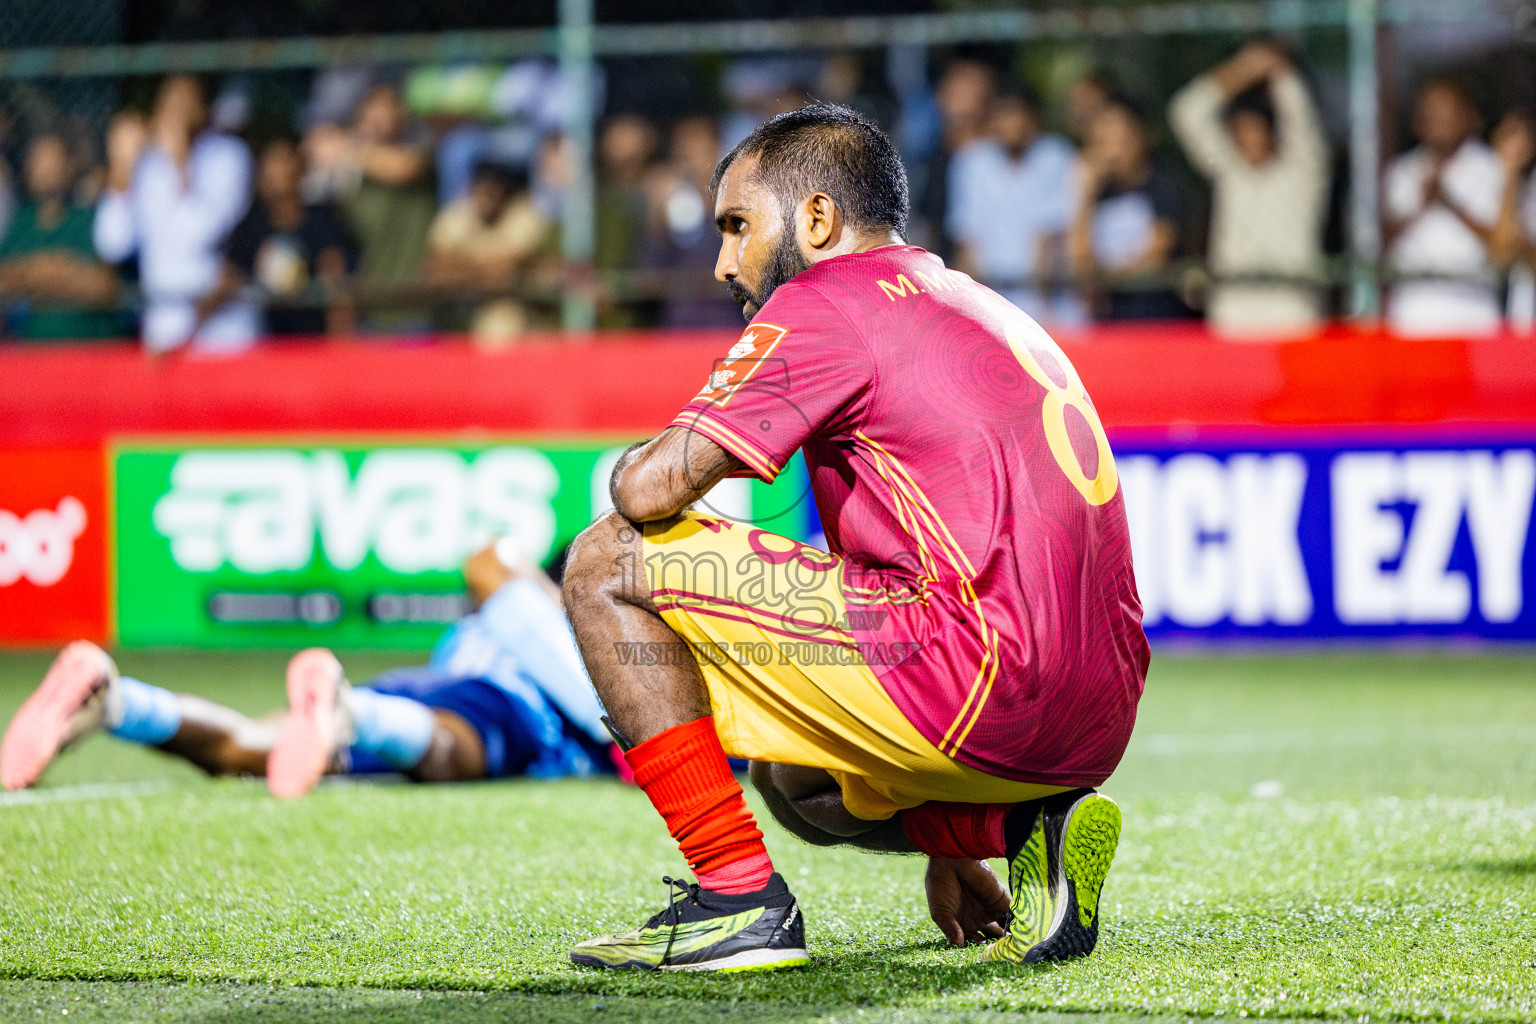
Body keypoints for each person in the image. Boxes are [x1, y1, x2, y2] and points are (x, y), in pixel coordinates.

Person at [560, 103, 1147, 972]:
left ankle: (737, 901)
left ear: (819, 219)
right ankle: (1023, 829)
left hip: (970, 677)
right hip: (1098, 715)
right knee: (795, 782)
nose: (723, 261)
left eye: (737, 226)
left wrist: (662, 439)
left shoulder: (825, 300)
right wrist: (955, 851)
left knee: (605, 558)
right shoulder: (973, 298)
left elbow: (650, 489)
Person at [0, 542, 614, 796]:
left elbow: (487, 559)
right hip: (503, 707)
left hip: (414, 689)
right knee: (449, 753)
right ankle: (346, 713)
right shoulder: (570, 629)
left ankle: (115, 701)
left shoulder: (500, 619)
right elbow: (490, 560)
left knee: (246, 749)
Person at [1169, 42, 1329, 337]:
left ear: (1272, 131)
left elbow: (1299, 119)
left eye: (1255, 130)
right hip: (1233, 315)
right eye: (1238, 132)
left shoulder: (1302, 171)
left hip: (1292, 315)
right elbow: (1186, 112)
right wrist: (1244, 68)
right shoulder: (1228, 171)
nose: (1247, 141)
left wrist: (1278, 72)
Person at [93, 75, 257, 353]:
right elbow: (112, 245)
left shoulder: (229, 155)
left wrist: (180, 162)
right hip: (162, 335)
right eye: (169, 103)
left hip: (223, 335)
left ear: (204, 108)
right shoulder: (146, 165)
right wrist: (122, 171)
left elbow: (201, 234)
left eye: (185, 102)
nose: (175, 112)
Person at [947, 86, 1081, 325]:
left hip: (1046, 296)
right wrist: (970, 305)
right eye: (1003, 114)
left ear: (1033, 117)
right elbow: (967, 238)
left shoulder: (1056, 156)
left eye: (1018, 114)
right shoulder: (970, 162)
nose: (1011, 123)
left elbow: (1051, 235)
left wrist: (1042, 306)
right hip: (989, 293)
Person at [1383, 79, 1503, 338]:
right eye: (1432, 112)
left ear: (1468, 116)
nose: (1439, 120)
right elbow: (1380, 244)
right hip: (1412, 314)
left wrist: (1450, 205)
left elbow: (1502, 246)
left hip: (1473, 311)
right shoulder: (1402, 171)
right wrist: (1420, 207)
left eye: (1448, 111)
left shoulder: (1493, 169)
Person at [207, 138, 355, 339]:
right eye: (268, 165)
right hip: (268, 345)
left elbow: (336, 288)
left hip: (315, 343)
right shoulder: (252, 226)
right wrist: (183, 336)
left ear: (299, 168)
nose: (274, 172)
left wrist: (341, 349)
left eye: (282, 162)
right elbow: (227, 281)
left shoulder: (322, 221)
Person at [1069, 97, 1190, 320]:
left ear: (1140, 137)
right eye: (1103, 142)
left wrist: (1105, 280)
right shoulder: (1097, 195)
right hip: (1109, 322)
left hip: (1157, 320)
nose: (1113, 151)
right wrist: (1085, 194)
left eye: (1121, 140)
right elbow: (1080, 262)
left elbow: (1157, 253)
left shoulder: (1163, 186)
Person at [0, 133, 121, 340]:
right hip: (31, 352)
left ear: (71, 166)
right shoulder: (20, 222)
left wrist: (34, 277)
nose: (48, 170)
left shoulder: (90, 218)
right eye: (40, 161)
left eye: (54, 161)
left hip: (89, 349)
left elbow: (106, 288)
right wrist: (60, 271)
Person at [424, 159, 552, 348]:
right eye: (480, 190)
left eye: (493, 191)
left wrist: (461, 267)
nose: (486, 197)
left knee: (502, 327)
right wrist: (482, 271)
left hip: (517, 308)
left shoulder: (524, 214)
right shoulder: (456, 215)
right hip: (461, 307)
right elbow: (435, 269)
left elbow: (505, 269)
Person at [344, 83, 438, 331]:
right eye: (371, 107)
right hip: (370, 309)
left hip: (415, 306)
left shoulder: (421, 149)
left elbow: (403, 169)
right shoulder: (354, 174)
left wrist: (351, 149)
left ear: (402, 114)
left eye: (385, 107)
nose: (377, 115)